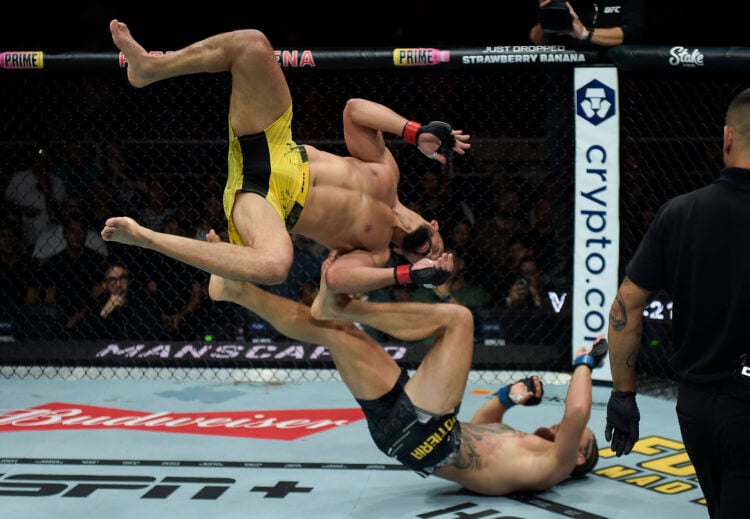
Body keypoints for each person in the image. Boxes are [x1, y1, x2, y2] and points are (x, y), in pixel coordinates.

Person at [206, 233, 605, 494]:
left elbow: (578, 410)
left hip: (430, 434)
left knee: (458, 320)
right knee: (334, 331)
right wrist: (508, 396)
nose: (564, 428)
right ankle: (238, 290)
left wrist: (586, 360)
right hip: (409, 434)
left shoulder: (556, 465)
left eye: (579, 438)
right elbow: (481, 427)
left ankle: (348, 304)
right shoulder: (527, 449)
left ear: (580, 457)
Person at [101, 20, 470, 296]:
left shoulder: (374, 253)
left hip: (268, 203)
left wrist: (407, 275)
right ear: (434, 225)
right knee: (252, 44)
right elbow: (354, 110)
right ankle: (152, 67)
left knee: (276, 265)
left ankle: (147, 237)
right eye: (437, 250)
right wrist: (413, 131)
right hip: (276, 145)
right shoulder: (387, 171)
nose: (428, 253)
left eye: (425, 261)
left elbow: (337, 278)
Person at [605, 87, 750, 518]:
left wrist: (623, 396)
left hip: (697, 408)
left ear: (727, 137)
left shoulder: (680, 212)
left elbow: (624, 309)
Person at [529, 0, 644, 50]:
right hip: (566, 76)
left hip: (615, 70)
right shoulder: (564, 2)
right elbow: (538, 40)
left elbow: (632, 32)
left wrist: (585, 33)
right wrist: (548, 15)